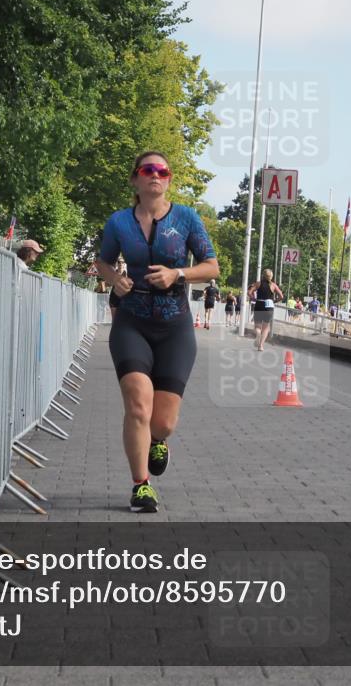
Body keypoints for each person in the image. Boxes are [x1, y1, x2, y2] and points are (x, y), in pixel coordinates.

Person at [94, 151, 219, 513]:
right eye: (148, 170)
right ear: (135, 179)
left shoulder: (187, 217)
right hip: (132, 321)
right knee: (137, 406)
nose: (155, 175)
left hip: (174, 324)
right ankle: (140, 486)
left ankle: (158, 440)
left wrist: (177, 273)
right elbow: (102, 261)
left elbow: (212, 266)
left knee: (162, 421)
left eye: (162, 171)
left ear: (169, 179)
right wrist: (114, 279)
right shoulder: (119, 222)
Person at [247, 269, 284, 352]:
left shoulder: (258, 283)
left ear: (263, 275)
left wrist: (254, 299)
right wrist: (274, 301)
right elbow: (281, 296)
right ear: (271, 276)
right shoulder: (273, 285)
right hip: (269, 306)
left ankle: (258, 334)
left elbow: (249, 292)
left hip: (259, 304)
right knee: (266, 327)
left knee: (257, 326)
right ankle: (261, 346)